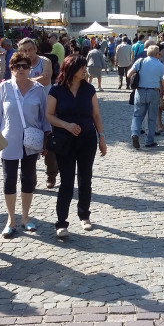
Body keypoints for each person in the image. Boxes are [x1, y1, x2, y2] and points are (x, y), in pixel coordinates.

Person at [46, 55, 107, 238]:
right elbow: (49, 115)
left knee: (85, 178)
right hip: (65, 140)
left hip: (87, 139)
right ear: (71, 69)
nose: (85, 70)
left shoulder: (89, 89)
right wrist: (66, 125)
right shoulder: (56, 90)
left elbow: (96, 115)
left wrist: (101, 137)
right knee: (66, 182)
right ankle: (61, 222)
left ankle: (84, 215)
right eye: (81, 67)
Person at [0, 52, 51, 238]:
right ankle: (11, 219)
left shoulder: (38, 89)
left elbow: (44, 118)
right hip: (9, 140)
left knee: (28, 178)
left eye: (24, 66)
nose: (20, 69)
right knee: (9, 179)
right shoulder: (4, 88)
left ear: (30, 69)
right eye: (16, 66)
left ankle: (25, 217)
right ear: (11, 68)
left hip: (32, 141)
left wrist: (45, 141)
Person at [18, 38, 58, 189]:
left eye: (30, 49)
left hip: (47, 107)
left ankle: (51, 175)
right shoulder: (21, 64)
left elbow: (46, 79)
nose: (28, 53)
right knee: (29, 142)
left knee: (49, 141)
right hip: (28, 109)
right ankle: (31, 176)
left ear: (35, 49)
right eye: (25, 50)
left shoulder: (44, 61)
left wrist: (26, 80)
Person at [128, 45, 164, 149]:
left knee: (137, 115)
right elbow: (163, 81)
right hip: (154, 92)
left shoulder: (140, 61)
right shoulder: (160, 65)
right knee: (152, 118)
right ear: (157, 54)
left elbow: (128, 74)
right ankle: (149, 141)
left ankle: (135, 133)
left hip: (140, 91)